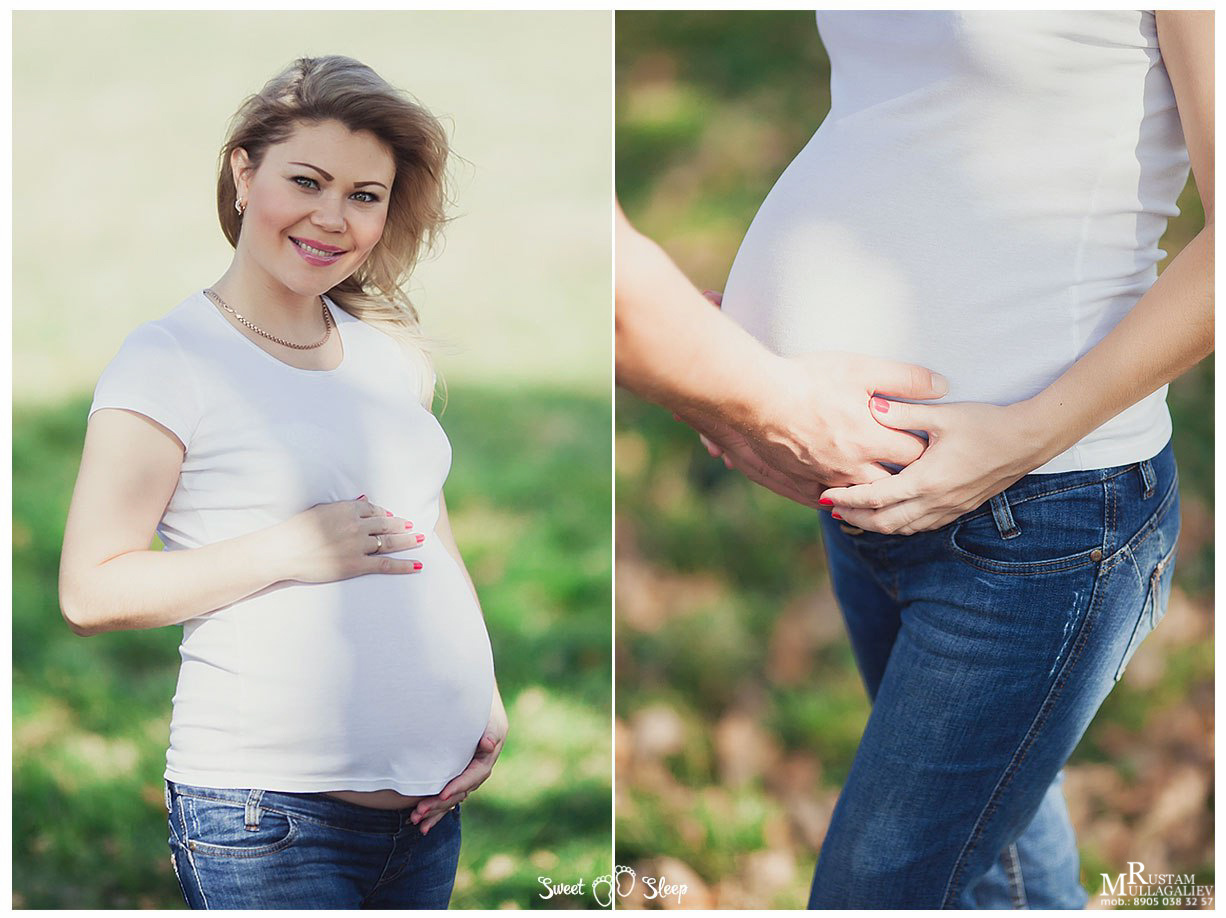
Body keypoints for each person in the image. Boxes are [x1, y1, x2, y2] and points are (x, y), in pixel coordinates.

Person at [622, 10, 1212, 909]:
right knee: (998, 873)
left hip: (1044, 512)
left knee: (876, 892)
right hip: (872, 490)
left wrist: (1022, 436)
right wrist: (721, 363)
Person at [58, 56, 508, 909]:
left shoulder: (380, 352)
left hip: (423, 819)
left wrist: (480, 697)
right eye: (306, 181)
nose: (332, 218)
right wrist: (288, 548)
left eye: (365, 196)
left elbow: (425, 527)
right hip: (268, 821)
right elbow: (90, 590)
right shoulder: (170, 359)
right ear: (243, 170)